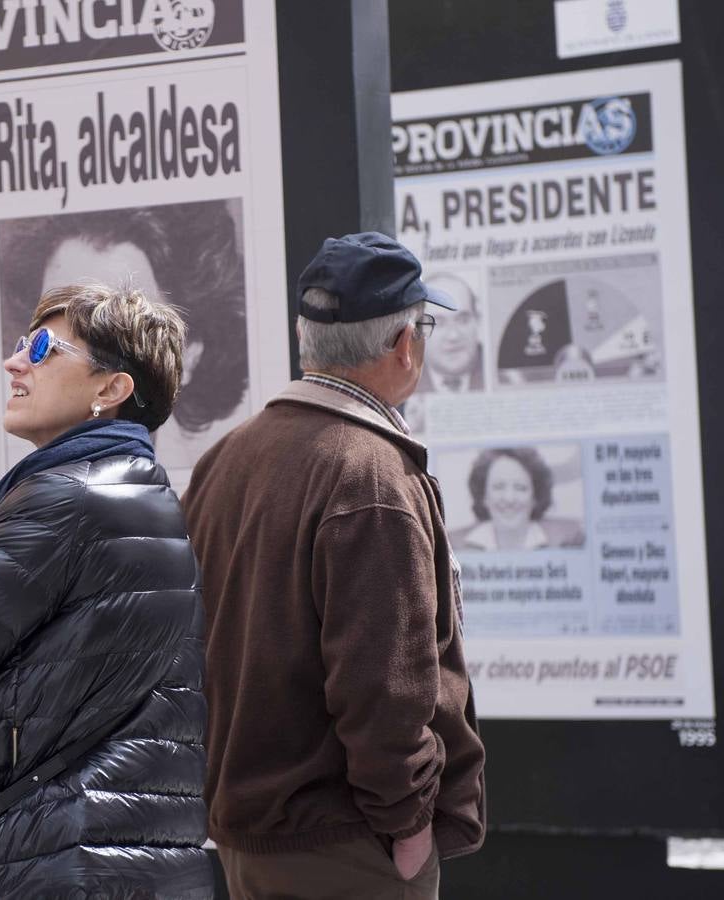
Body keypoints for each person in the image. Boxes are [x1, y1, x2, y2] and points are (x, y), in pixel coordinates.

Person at [0, 281, 210, 898]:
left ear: (111, 388)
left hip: (57, 861)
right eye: (24, 342)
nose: (15, 360)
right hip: (139, 858)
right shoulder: (146, 494)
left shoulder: (67, 500)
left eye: (45, 347)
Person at [183, 232, 485, 899]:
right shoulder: (371, 475)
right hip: (342, 847)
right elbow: (385, 688)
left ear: (307, 337)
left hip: (248, 835)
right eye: (424, 327)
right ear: (405, 344)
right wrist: (407, 832)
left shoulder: (227, 457)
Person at [0, 201, 249, 469]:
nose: (14, 363)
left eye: (110, 320)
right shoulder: (27, 481)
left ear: (186, 355)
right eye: (51, 316)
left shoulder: (209, 486)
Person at [451, 447, 585, 552]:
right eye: (499, 487)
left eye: (520, 488)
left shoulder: (569, 541)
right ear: (484, 496)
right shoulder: (454, 545)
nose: (509, 499)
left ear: (535, 497)